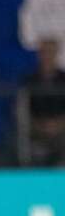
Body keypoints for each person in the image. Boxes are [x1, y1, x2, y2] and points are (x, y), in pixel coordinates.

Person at [25, 37, 65, 165]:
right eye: (44, 52)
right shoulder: (29, 81)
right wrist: (39, 125)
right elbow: (24, 110)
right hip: (37, 131)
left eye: (50, 52)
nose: (47, 56)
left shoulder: (63, 79)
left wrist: (58, 124)